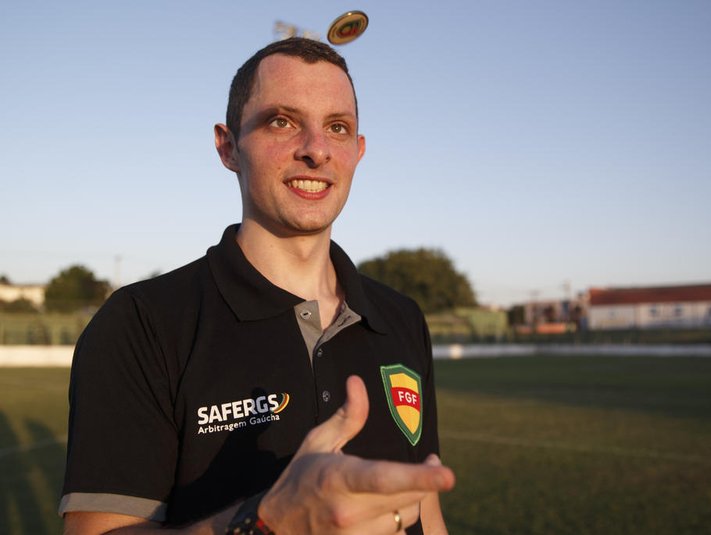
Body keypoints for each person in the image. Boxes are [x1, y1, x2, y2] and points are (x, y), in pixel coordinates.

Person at [60, 37, 455, 534]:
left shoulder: (401, 317)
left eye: (337, 127)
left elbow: (426, 509)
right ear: (228, 147)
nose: (315, 149)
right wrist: (263, 523)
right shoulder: (142, 322)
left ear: (357, 151)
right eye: (282, 122)